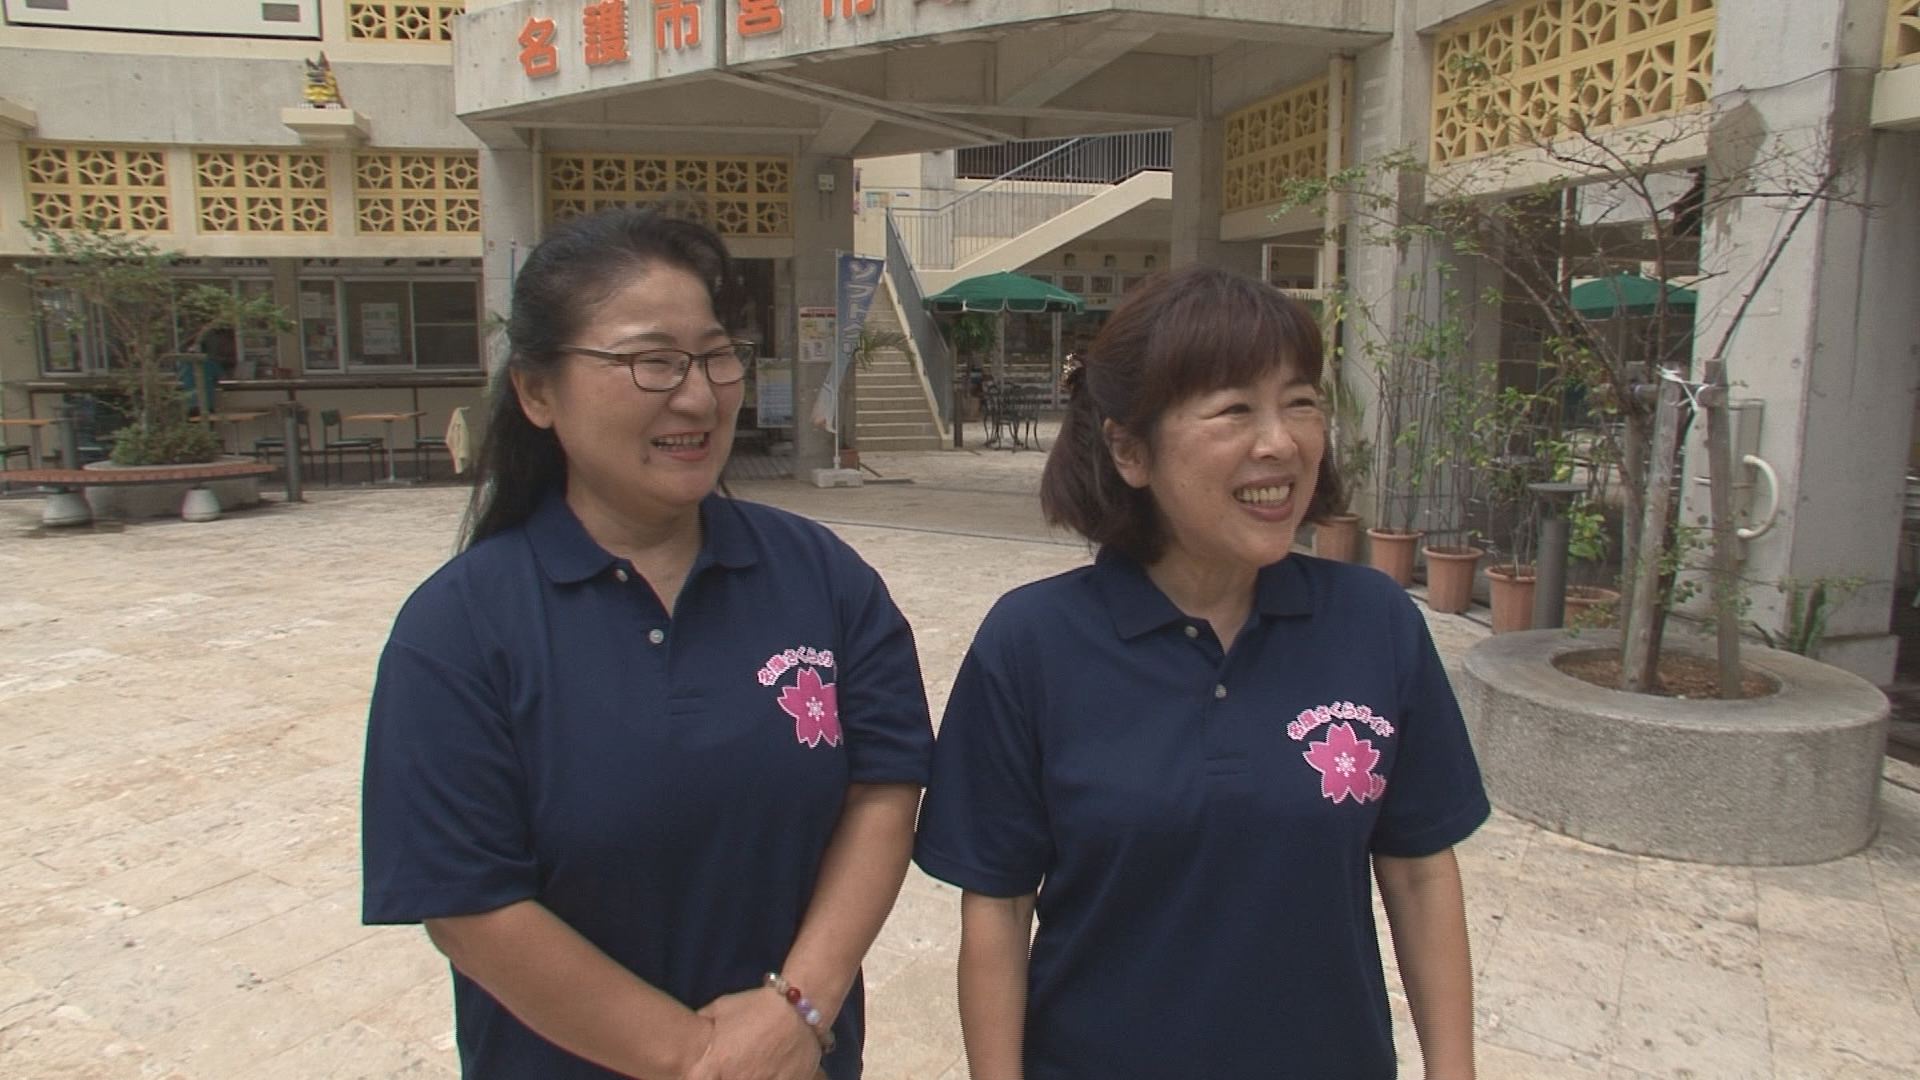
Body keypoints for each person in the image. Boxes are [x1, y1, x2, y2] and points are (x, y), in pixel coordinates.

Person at [362, 207, 934, 1080]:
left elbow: (884, 788)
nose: (697, 396)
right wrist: (699, 1058)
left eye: (715, 356)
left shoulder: (822, 578)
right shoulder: (458, 630)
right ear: (537, 392)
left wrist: (798, 1008)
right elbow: (470, 907)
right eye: (651, 361)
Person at [913, 264, 1488, 1079]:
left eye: (1300, 401)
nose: (1281, 442)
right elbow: (999, 910)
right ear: (1129, 449)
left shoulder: (1374, 622)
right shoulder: (1032, 644)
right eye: (1234, 409)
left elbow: (1421, 873)